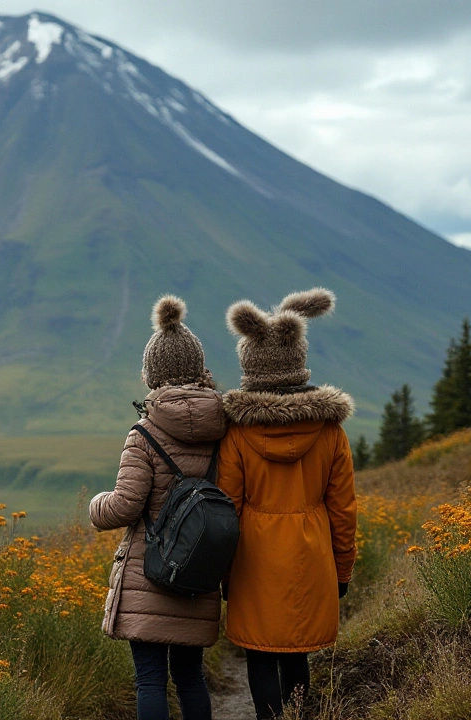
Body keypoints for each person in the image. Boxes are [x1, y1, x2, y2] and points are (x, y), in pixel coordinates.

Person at [217, 288, 357, 719]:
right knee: (297, 650)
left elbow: (227, 508)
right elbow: (343, 509)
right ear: (298, 360)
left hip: (253, 559)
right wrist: (343, 568)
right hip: (312, 555)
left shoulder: (237, 434)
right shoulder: (331, 431)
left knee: (260, 653)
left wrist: (224, 573)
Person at [89, 295, 228, 720]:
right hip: (200, 572)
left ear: (152, 373)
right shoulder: (225, 430)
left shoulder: (144, 433)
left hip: (151, 572)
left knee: (150, 680)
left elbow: (125, 507)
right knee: (190, 677)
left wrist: (96, 506)